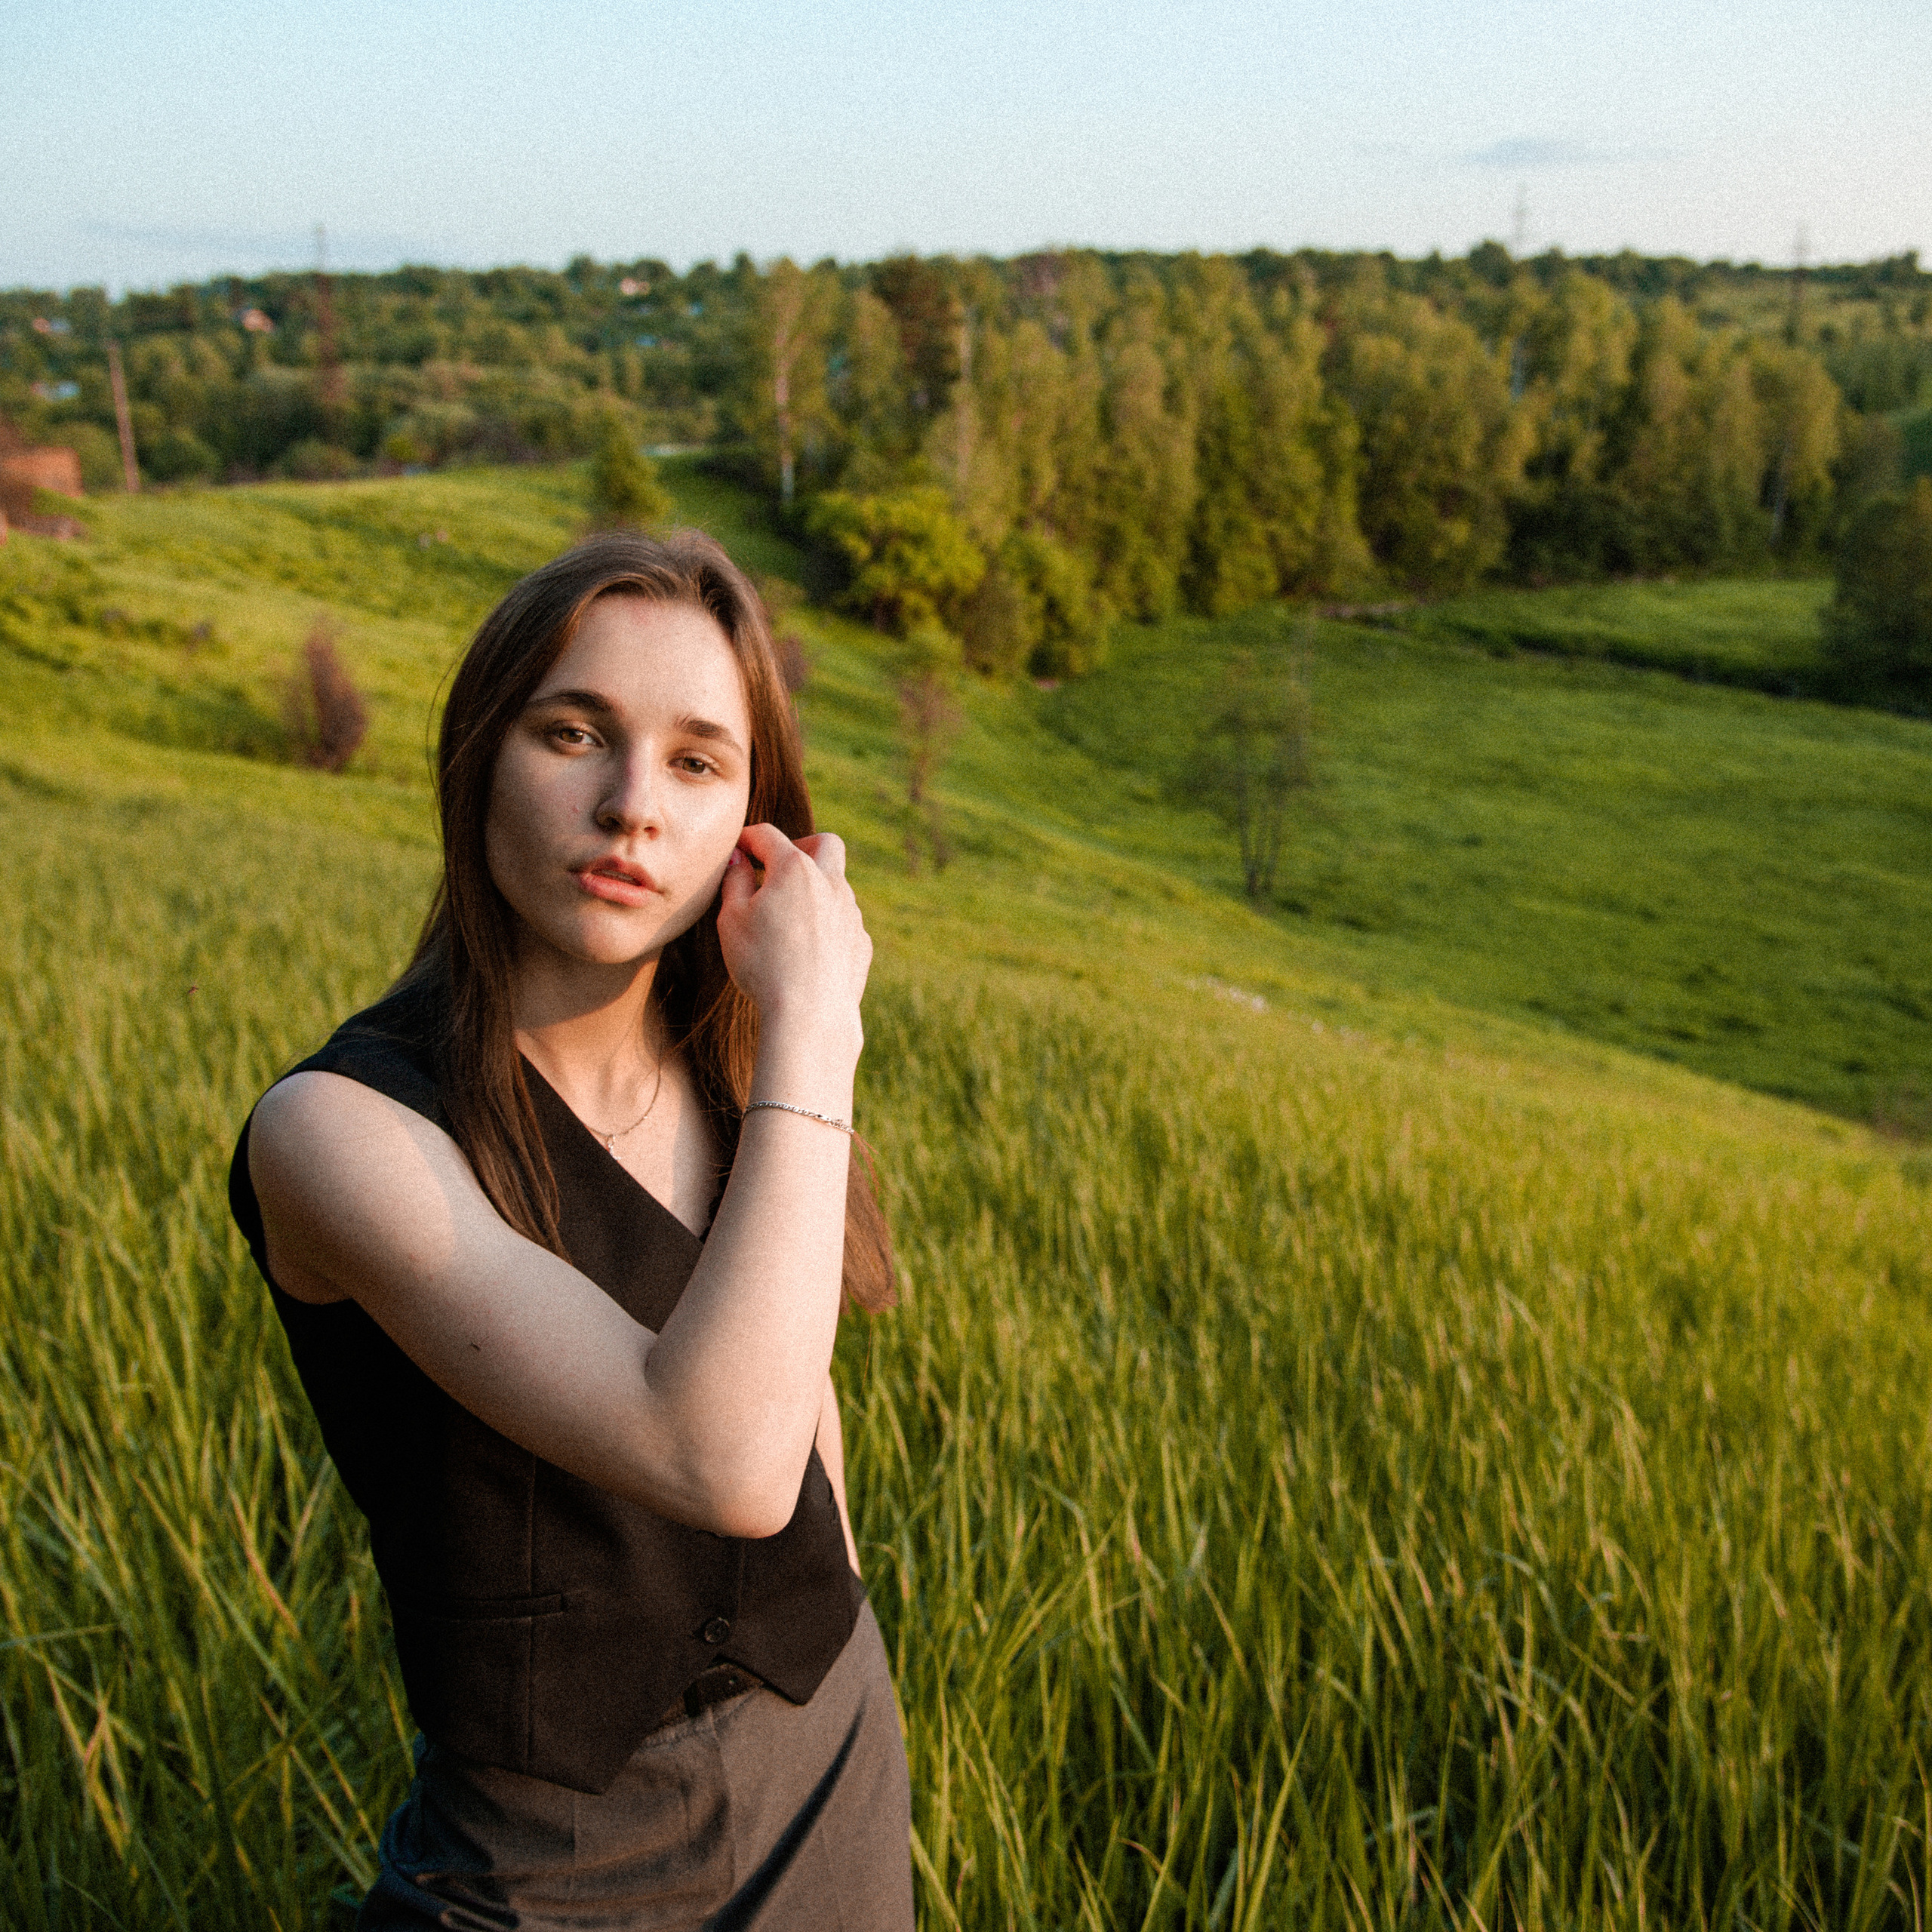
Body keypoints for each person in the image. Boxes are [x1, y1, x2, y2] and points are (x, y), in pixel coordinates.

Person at [228, 531, 915, 1930]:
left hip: (828, 1751)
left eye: (696, 763)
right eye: (574, 732)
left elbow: (802, 1418)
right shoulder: (341, 1132)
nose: (630, 808)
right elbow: (717, 1457)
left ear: (752, 830)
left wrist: (835, 1631)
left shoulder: (730, 1072)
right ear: (480, 754)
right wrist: (818, 1030)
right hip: (550, 1858)